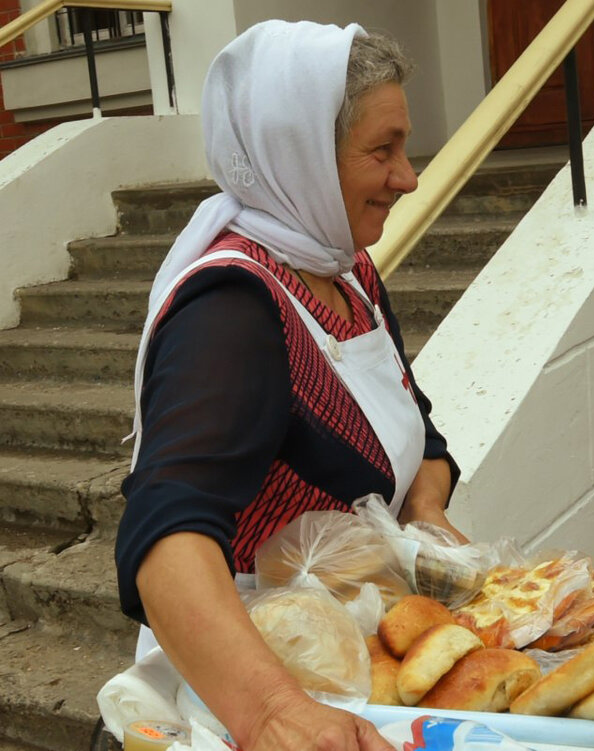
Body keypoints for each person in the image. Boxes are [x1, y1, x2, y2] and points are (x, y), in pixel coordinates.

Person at [114, 20, 462, 751]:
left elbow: (418, 427)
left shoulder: (347, 272)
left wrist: (426, 516)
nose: (409, 176)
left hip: (359, 648)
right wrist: (270, 711)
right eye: (382, 150)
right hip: (264, 683)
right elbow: (166, 528)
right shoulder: (235, 308)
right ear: (298, 155)